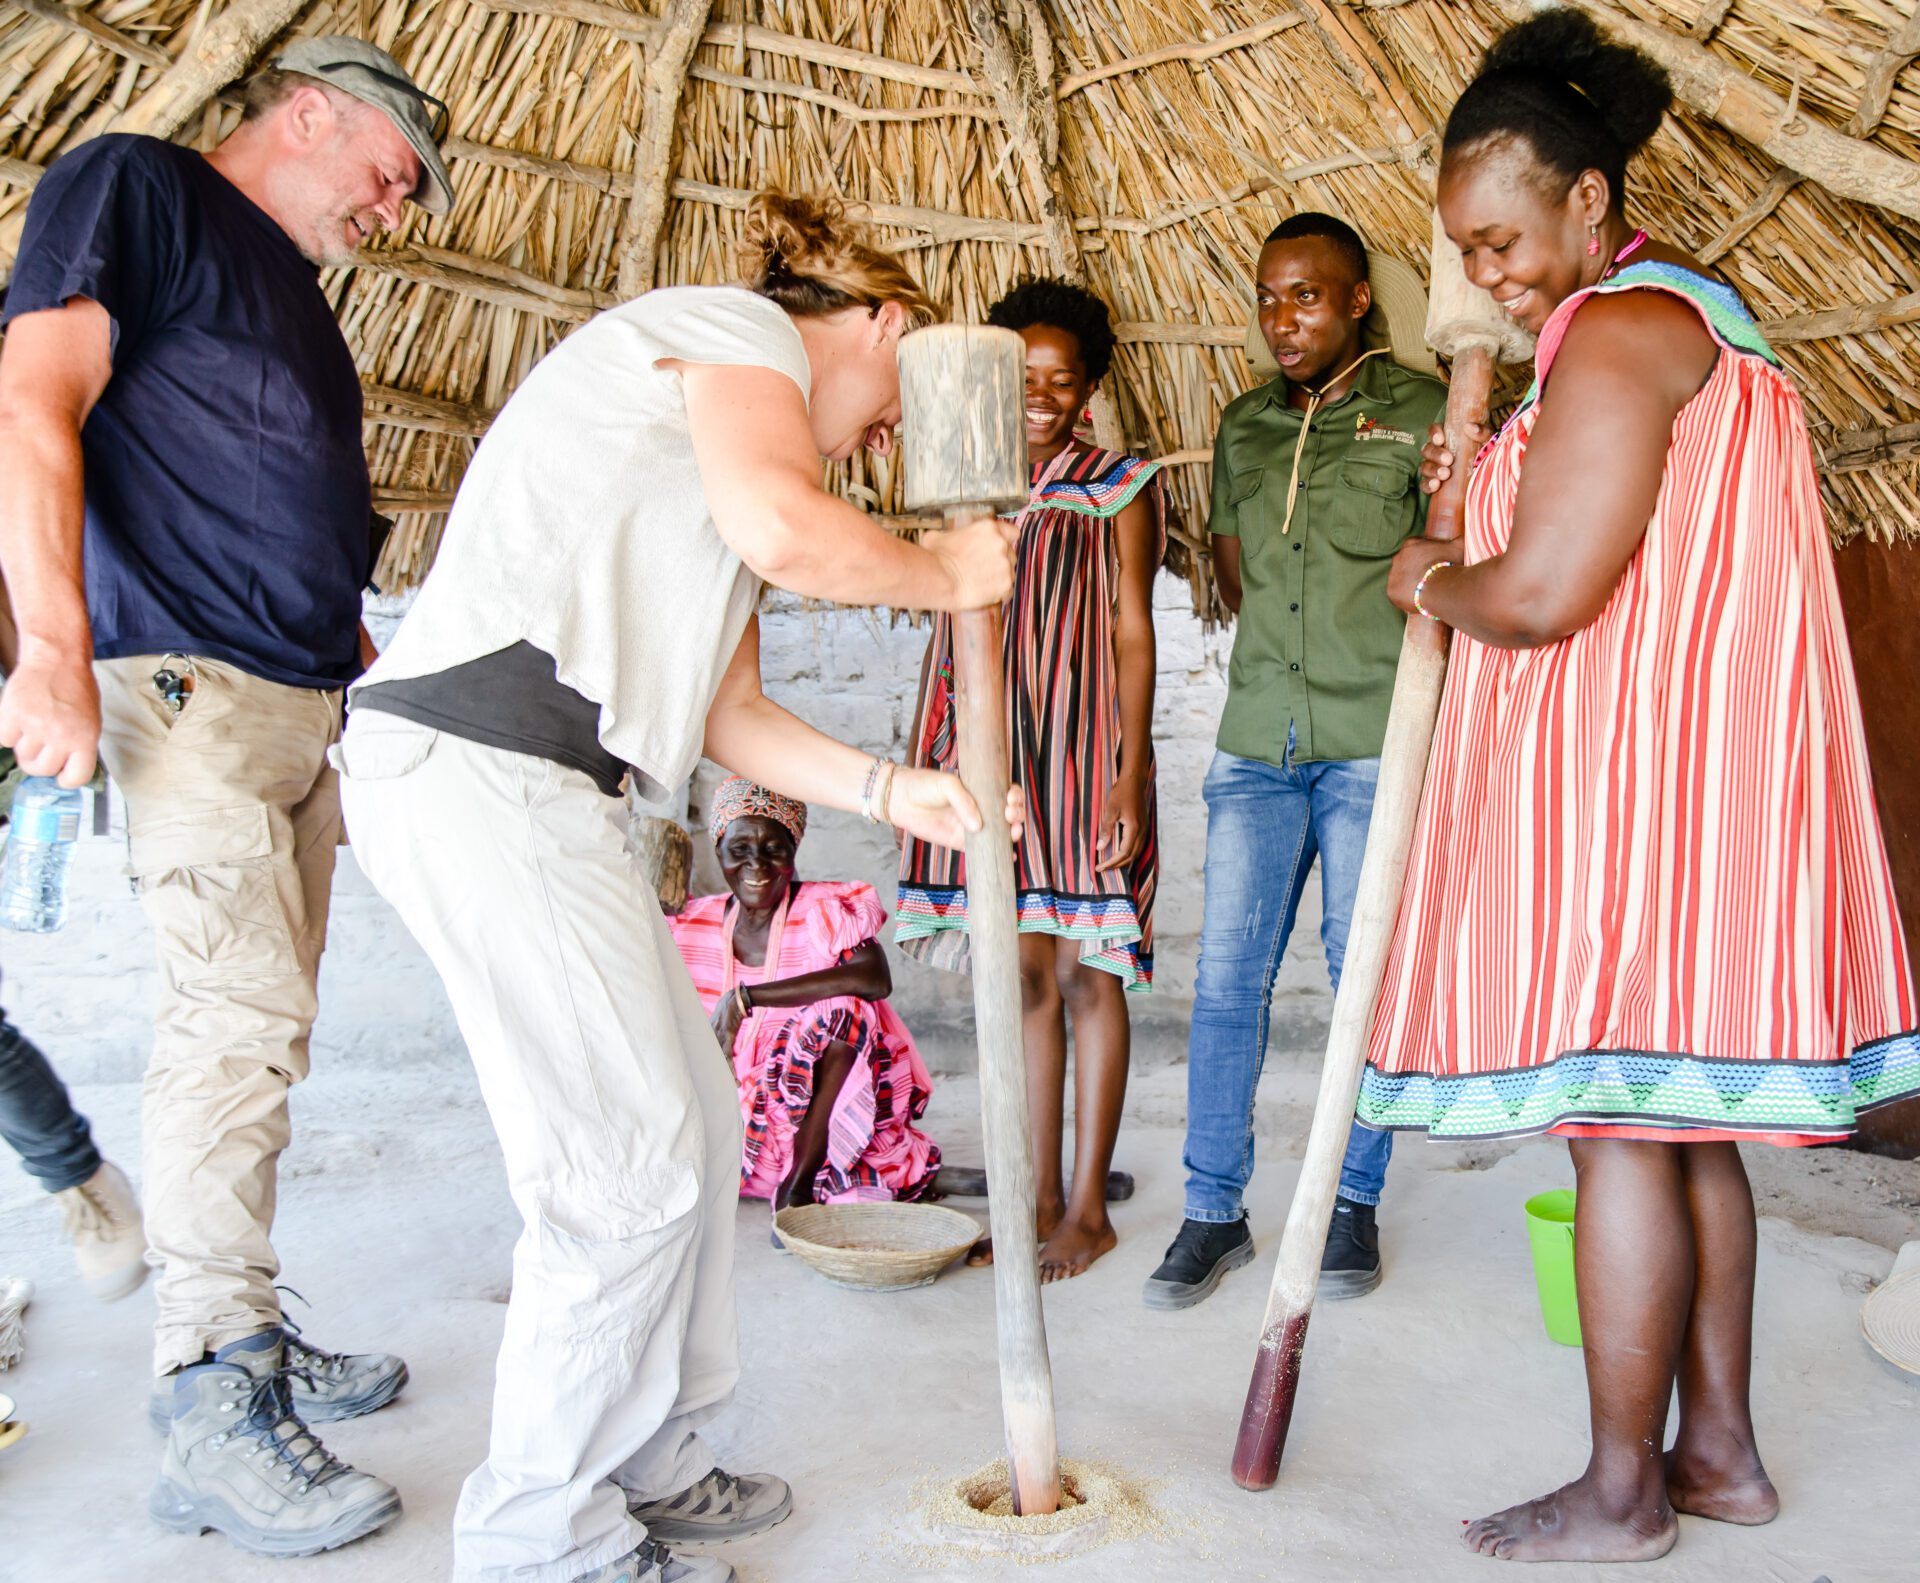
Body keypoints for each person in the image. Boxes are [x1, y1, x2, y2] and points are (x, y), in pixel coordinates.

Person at [337, 192, 1019, 1583]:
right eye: (897, 389)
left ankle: (653, 1449)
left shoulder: (703, 487)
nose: (885, 439)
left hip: (561, 795)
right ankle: (540, 1538)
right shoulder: (731, 330)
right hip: (484, 766)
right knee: (621, 1171)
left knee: (699, 1129)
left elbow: (729, 715)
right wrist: (943, 571)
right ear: (877, 321)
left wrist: (902, 791)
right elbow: (788, 523)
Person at [1364, 11, 1920, 1564]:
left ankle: (1620, 1487)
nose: (1486, 275)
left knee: (1618, 1126)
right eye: (1465, 256)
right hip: (1702, 800)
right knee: (1688, 1132)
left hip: (1642, 810)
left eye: (1501, 239)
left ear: (1590, 200)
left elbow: (1540, 595)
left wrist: (1431, 573)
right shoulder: (1696, 326)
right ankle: (1720, 1454)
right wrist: (1477, 482)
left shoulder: (1620, 332)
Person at [0, 35, 454, 1556]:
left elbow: (257, 482)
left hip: (292, 702)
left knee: (269, 1026)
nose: (396, 210)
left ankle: (242, 1318)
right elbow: (32, 398)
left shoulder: (291, 292)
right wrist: (53, 650)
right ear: (311, 114)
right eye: (389, 174)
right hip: (181, 688)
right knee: (232, 1020)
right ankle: (210, 1391)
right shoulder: (139, 188)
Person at [1142, 216, 1446, 1310]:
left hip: (1372, 743)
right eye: (1271, 297)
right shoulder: (1243, 426)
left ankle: (1348, 1205)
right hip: (1256, 744)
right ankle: (1212, 1211)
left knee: (1360, 981)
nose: (1285, 319)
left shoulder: (1429, 417)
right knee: (1225, 986)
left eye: (1308, 296)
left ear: (1360, 299)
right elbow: (1231, 572)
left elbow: (1462, 559)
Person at [896, 279, 1162, 1282]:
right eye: (1023, 378)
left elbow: (1133, 629)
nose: (1041, 395)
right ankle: (1036, 1193)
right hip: (991, 749)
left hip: (1085, 749)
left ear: (1088, 386)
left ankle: (1089, 1204)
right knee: (1022, 974)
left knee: (1091, 971)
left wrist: (1131, 771)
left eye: (1061, 378)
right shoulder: (967, 483)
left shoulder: (1118, 484)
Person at [670, 778, 940, 1212]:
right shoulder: (690, 924)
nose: (757, 864)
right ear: (718, 850)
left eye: (774, 848)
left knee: (846, 1010)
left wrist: (744, 998)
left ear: (793, 852)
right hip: (730, 1126)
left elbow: (874, 978)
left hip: (809, 1124)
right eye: (739, 849)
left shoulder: (823, 907)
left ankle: (799, 1182)